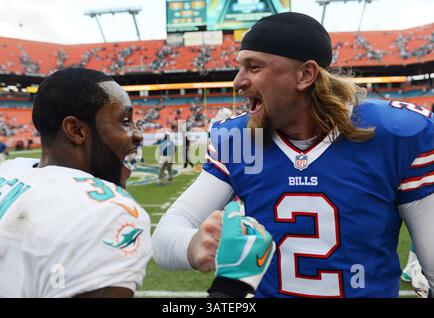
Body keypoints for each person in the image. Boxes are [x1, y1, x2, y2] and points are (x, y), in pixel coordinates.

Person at [152, 12, 434, 298]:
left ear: (305, 74)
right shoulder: (241, 139)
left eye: (254, 67)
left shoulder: (395, 134)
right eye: (240, 67)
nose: (238, 82)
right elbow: (165, 236)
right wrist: (196, 244)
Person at [0, 67, 274, 298]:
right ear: (75, 130)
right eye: (124, 121)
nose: (137, 134)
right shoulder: (105, 212)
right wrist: (232, 288)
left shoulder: (4, 172)